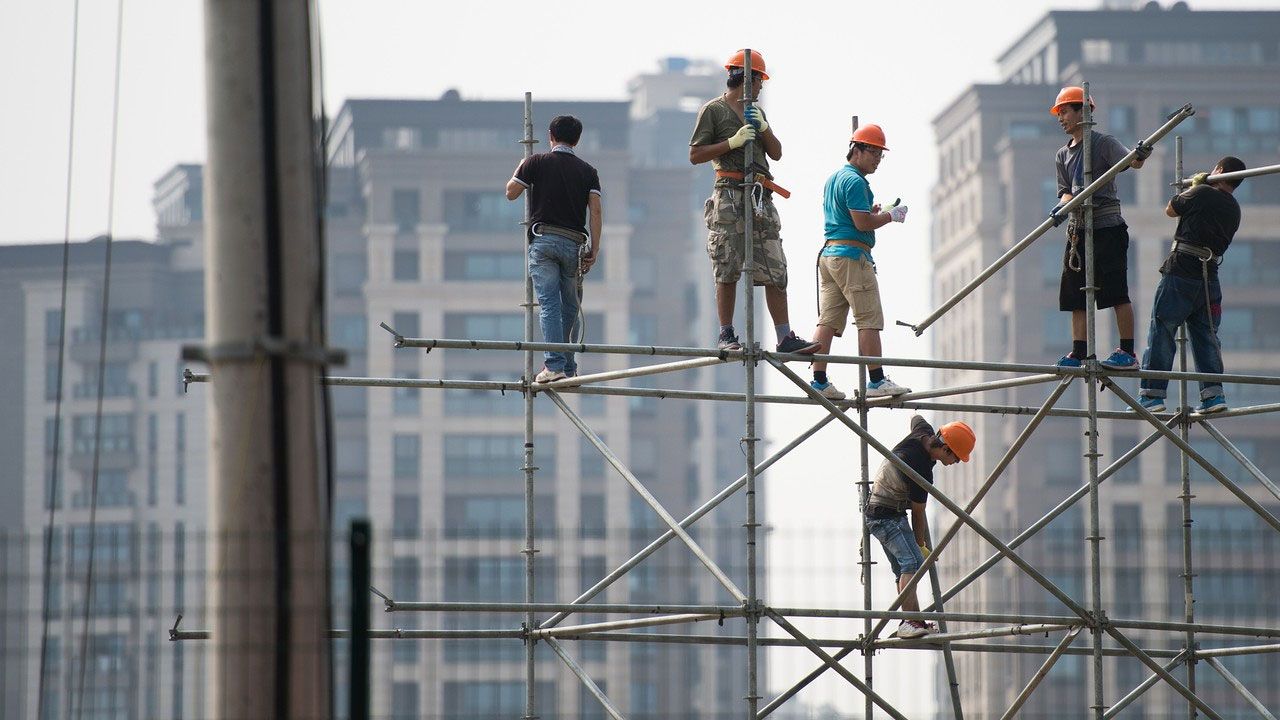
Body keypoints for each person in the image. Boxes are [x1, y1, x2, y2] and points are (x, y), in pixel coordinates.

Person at [689, 49, 819, 355]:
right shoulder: (714, 110)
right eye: (759, 81)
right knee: (727, 265)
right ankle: (726, 334)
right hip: (730, 195)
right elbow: (695, 154)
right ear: (745, 79)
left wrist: (763, 128)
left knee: (775, 266)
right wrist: (732, 142)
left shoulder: (756, 113)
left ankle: (784, 337)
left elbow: (776, 152)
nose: (761, 88)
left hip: (760, 197)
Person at [1048, 86, 1151, 370]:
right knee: (1074, 295)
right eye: (1059, 113)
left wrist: (1141, 154)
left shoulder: (1103, 143)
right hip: (1078, 228)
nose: (1061, 118)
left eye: (1066, 111)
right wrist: (1063, 206)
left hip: (1107, 225)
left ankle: (1127, 352)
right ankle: (1079, 352)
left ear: (1083, 111)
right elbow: (1066, 192)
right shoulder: (1062, 155)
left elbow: (1132, 162)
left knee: (1116, 291)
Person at [808, 124, 912, 400]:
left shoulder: (835, 178)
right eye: (874, 152)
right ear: (857, 149)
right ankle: (876, 381)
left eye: (881, 154)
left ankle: (819, 381)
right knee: (869, 318)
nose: (878, 159)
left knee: (828, 319)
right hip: (852, 258)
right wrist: (891, 216)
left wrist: (875, 212)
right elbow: (862, 222)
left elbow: (852, 217)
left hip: (830, 255)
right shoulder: (855, 181)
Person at [1137, 157, 1246, 414]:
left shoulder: (1202, 192)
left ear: (1219, 171)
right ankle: (1213, 395)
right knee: (1206, 336)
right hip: (1209, 277)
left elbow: (1171, 210)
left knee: (1163, 328)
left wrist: (1194, 187)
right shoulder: (1234, 208)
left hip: (1182, 270)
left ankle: (1152, 395)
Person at [505, 115, 602, 383]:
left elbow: (511, 192)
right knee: (570, 305)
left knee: (549, 305)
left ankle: (555, 365)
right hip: (573, 243)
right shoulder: (588, 171)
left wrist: (521, 167)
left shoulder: (536, 162)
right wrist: (595, 247)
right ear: (577, 139)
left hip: (544, 241)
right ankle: (569, 367)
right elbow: (595, 211)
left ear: (551, 135)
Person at [865, 415, 975, 638]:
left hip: (889, 512)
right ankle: (909, 623)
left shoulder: (923, 433)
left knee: (904, 568)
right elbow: (918, 512)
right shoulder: (919, 468)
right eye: (956, 458)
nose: (955, 463)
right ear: (945, 449)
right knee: (912, 562)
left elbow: (916, 418)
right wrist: (920, 544)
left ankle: (912, 622)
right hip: (884, 517)